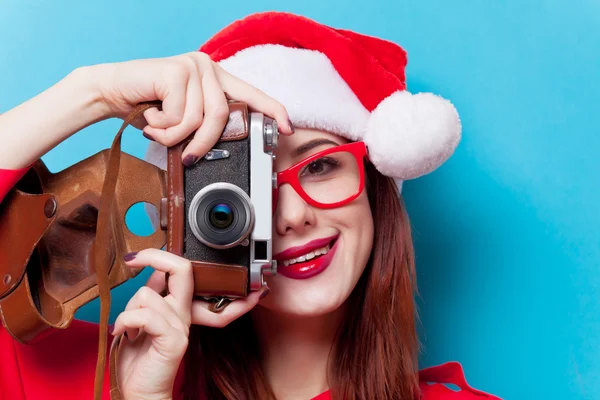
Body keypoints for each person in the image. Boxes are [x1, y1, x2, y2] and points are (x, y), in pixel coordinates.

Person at [0, 11, 500, 400]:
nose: (289, 215)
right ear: (184, 219)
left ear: (373, 184)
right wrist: (92, 93)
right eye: (245, 189)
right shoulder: (84, 382)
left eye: (320, 167)